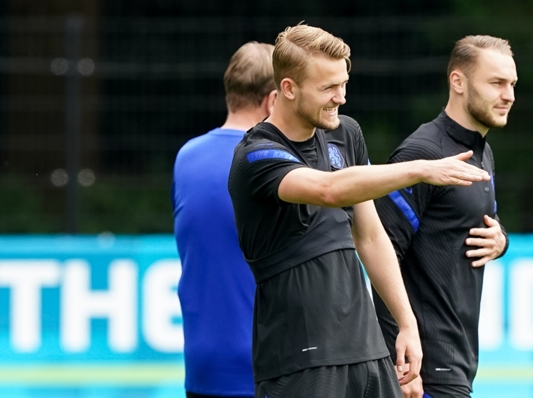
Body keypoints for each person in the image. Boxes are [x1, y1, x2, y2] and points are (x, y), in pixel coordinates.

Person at [227, 24, 492, 398]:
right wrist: (421, 169)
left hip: (368, 353)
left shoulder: (346, 133)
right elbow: (328, 189)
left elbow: (369, 235)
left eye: (344, 83)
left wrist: (406, 323)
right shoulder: (255, 154)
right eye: (328, 88)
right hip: (300, 358)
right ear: (288, 88)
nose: (341, 97)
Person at [372, 35, 514, 398]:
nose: (509, 95)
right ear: (458, 82)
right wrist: (401, 366)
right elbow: (382, 255)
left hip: (459, 363)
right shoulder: (422, 154)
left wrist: (501, 240)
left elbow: (477, 223)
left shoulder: (482, 152)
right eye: (496, 83)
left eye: (512, 84)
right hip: (426, 369)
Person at [173, 41, 277, 398]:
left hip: (202, 365)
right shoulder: (270, 161)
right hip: (268, 364)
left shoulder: (186, 157)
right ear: (273, 100)